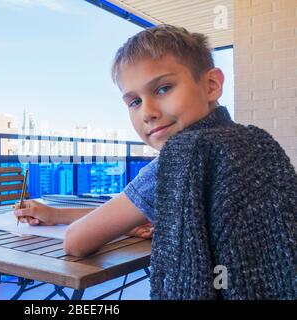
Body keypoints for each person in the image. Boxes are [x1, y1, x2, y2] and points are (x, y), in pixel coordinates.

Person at [15, 24, 297, 299]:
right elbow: (127, 213)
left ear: (211, 85)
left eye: (163, 88)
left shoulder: (185, 156)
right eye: (134, 102)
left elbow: (76, 241)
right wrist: (55, 214)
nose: (147, 112)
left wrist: (67, 221)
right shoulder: (253, 142)